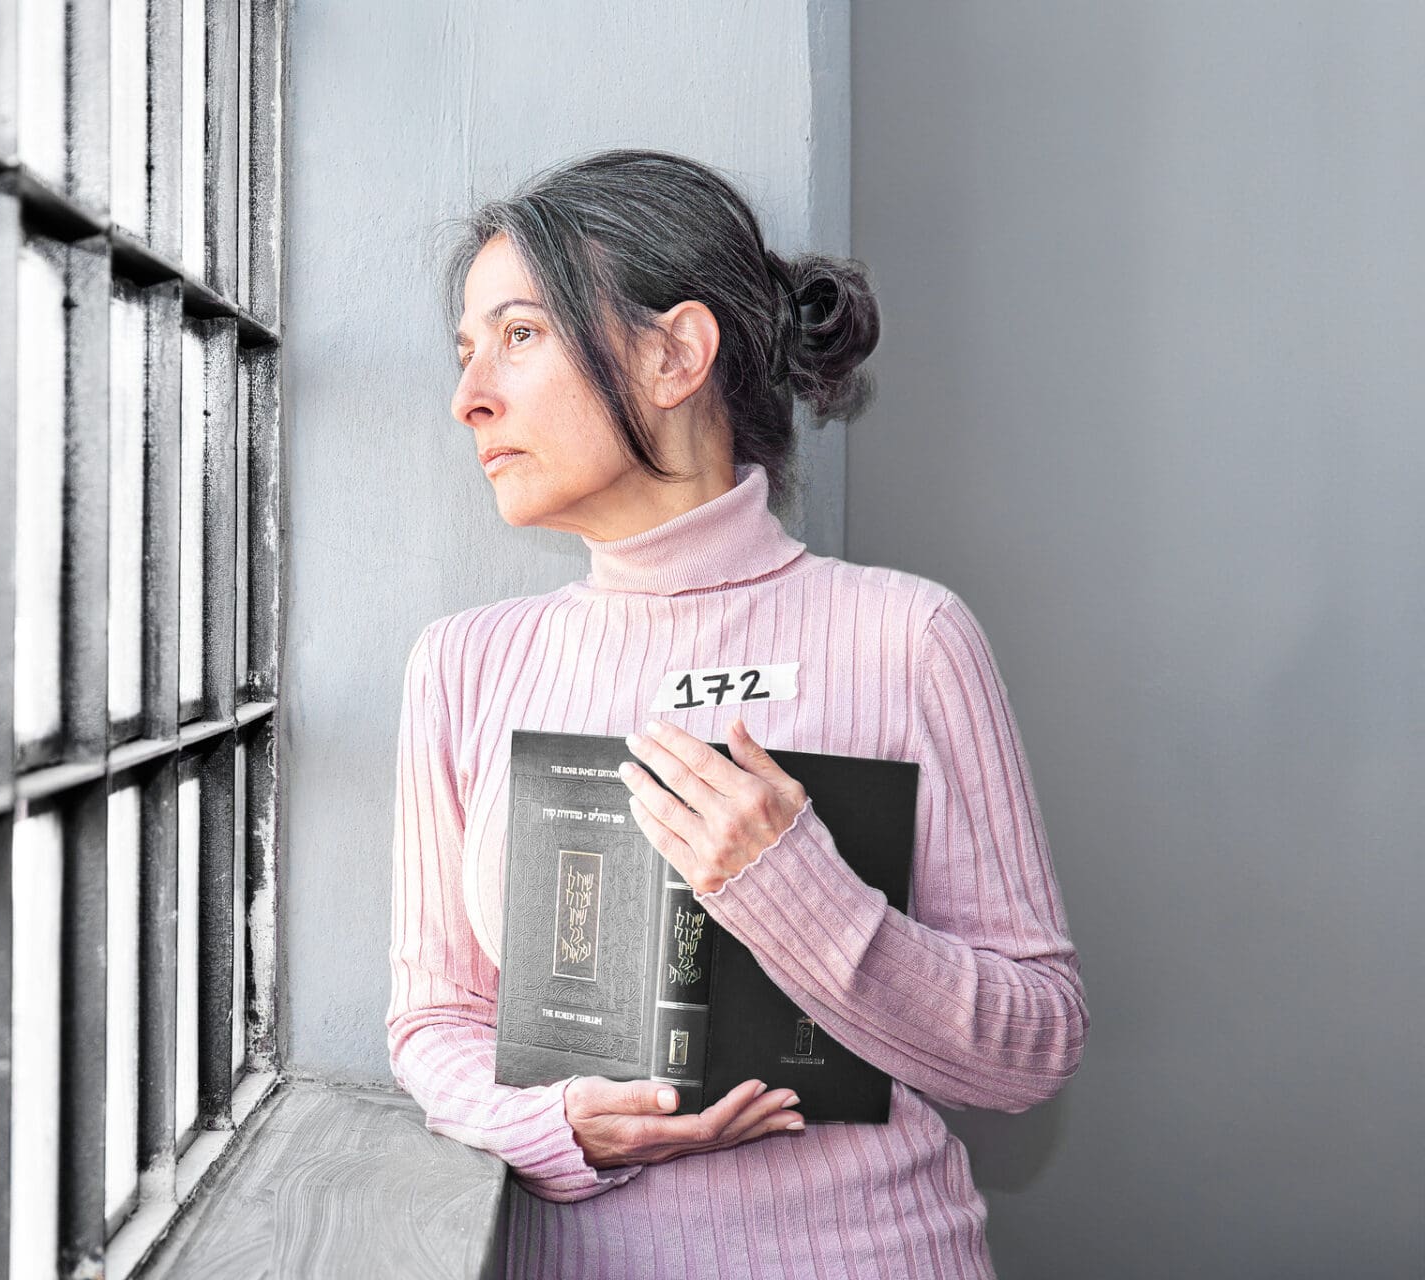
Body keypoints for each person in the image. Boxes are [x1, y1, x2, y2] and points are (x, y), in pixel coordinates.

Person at [385, 149, 1088, 1279]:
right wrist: (558, 1126)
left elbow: (1035, 1044)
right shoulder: (461, 665)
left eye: (520, 336)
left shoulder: (907, 638)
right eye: (466, 351)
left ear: (676, 353)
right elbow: (434, 1021)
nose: (470, 394)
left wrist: (796, 890)